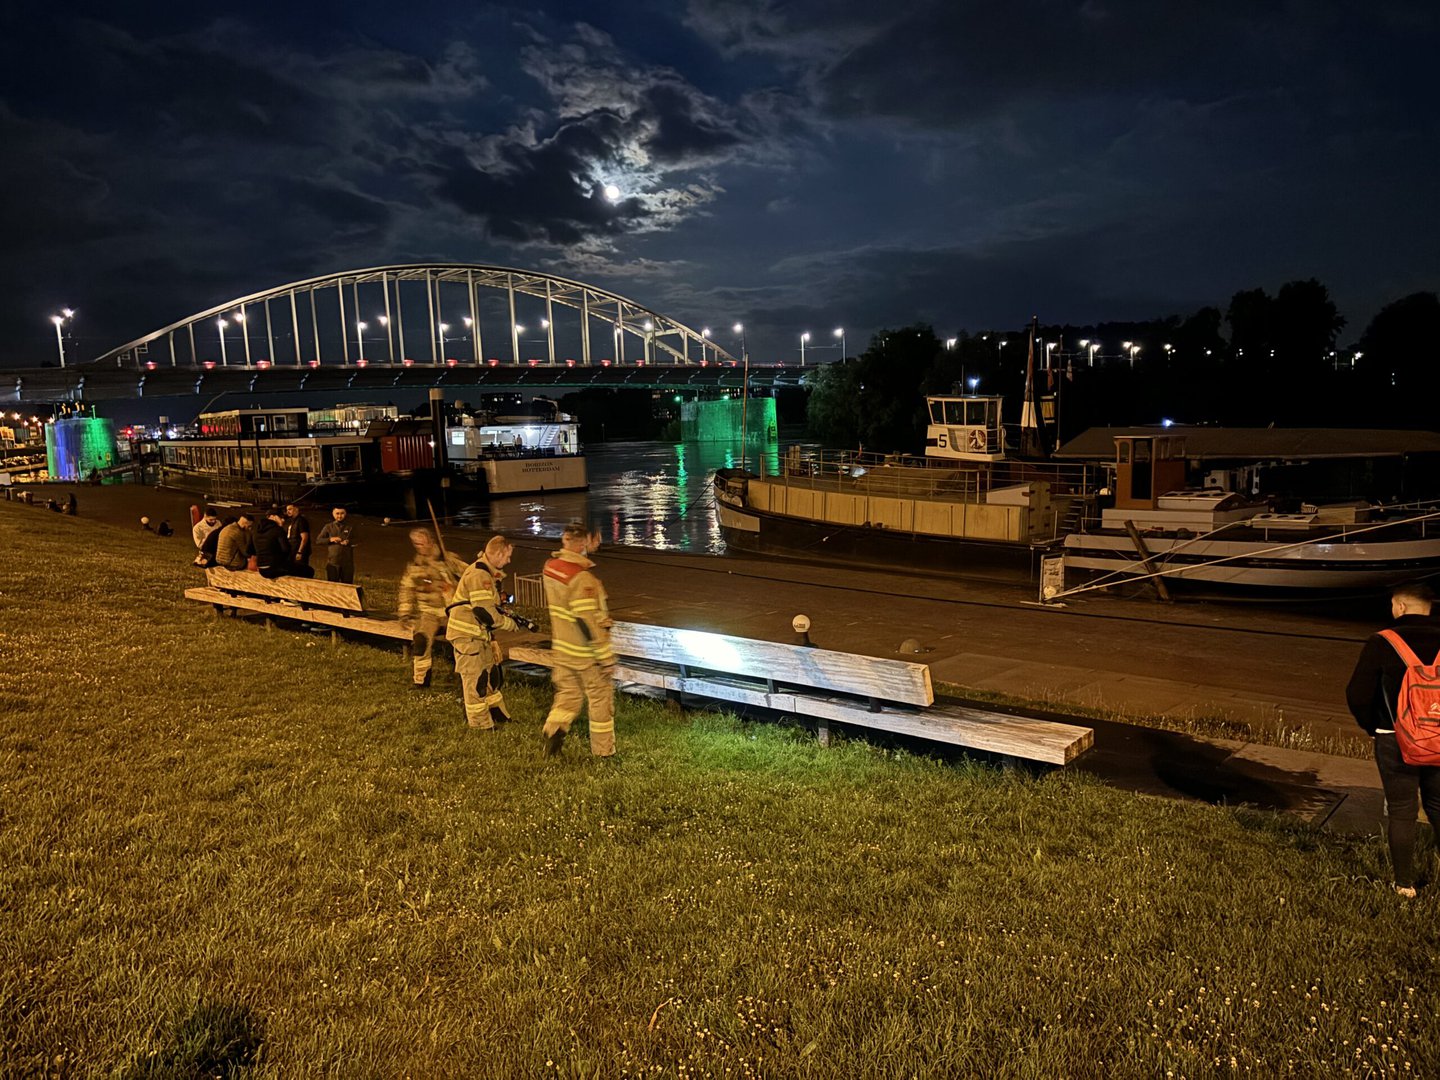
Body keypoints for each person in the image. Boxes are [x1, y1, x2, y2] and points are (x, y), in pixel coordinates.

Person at [1345, 582, 1440, 898]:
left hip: (1395, 738)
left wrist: (1375, 727)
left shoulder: (1383, 642)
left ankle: (1404, 885)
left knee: (1402, 810)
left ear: (1399, 606)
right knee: (1438, 804)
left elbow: (1357, 694)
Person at [540, 524, 616, 758]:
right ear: (584, 542)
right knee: (600, 698)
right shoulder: (583, 579)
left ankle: (554, 731)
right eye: (596, 539)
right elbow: (588, 623)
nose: (598, 544)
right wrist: (605, 657)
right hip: (585, 654)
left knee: (568, 695)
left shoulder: (551, 568)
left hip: (562, 648)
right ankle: (604, 753)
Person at [445, 535, 535, 727]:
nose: (509, 561)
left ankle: (499, 716)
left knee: (490, 676)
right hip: (467, 638)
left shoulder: (485, 573)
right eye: (508, 556)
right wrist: (510, 624)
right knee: (475, 681)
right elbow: (484, 612)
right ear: (499, 553)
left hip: (478, 636)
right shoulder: (479, 576)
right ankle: (480, 725)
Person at [398, 528, 468, 690]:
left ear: (430, 541)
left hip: (452, 611)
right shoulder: (415, 566)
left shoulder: (448, 559)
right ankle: (421, 680)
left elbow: (471, 574)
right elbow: (406, 590)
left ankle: (468, 675)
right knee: (421, 639)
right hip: (429, 613)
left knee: (465, 641)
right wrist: (405, 613)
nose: (419, 547)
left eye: (422, 543)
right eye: (416, 544)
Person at [318, 506, 357, 583]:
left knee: (347, 586)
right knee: (332, 586)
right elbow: (318, 540)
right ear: (333, 514)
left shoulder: (351, 527)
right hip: (333, 562)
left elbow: (359, 540)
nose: (339, 516)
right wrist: (330, 539)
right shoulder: (328, 527)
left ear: (345, 514)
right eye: (337, 513)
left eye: (342, 513)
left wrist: (348, 542)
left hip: (347, 563)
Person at [251, 509, 292, 578]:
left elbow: (249, 550)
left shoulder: (255, 531)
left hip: (261, 569)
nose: (283, 520)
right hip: (274, 568)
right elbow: (286, 549)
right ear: (272, 517)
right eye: (281, 517)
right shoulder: (278, 530)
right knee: (308, 570)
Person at [284, 503, 314, 578]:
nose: (288, 511)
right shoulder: (293, 521)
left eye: (290, 509)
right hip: (292, 551)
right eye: (287, 510)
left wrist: (300, 552)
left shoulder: (301, 521)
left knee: (300, 572)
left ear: (296, 509)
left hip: (299, 552)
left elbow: (304, 537)